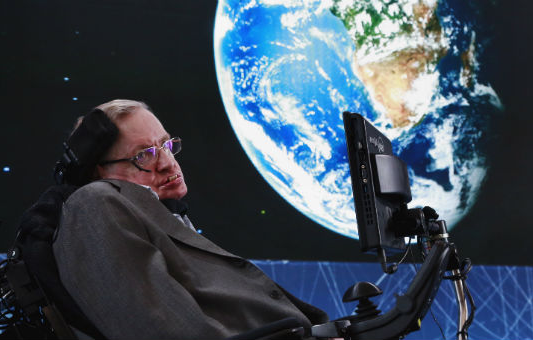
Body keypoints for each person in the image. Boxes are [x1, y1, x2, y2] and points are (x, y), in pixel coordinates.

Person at [52, 99, 329, 339]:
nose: (167, 162)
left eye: (166, 145)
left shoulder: (165, 219)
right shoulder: (93, 203)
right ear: (100, 172)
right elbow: (159, 329)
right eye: (144, 155)